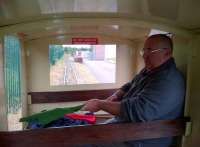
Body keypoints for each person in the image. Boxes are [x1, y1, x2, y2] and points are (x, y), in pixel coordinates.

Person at [81, 34, 185, 147]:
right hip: (128, 129)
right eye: (144, 51)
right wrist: (118, 94)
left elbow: (138, 111)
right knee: (84, 135)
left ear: (167, 53)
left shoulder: (167, 80)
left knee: (83, 142)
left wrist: (100, 104)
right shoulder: (150, 70)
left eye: (150, 51)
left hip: (141, 140)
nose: (144, 55)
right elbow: (131, 84)